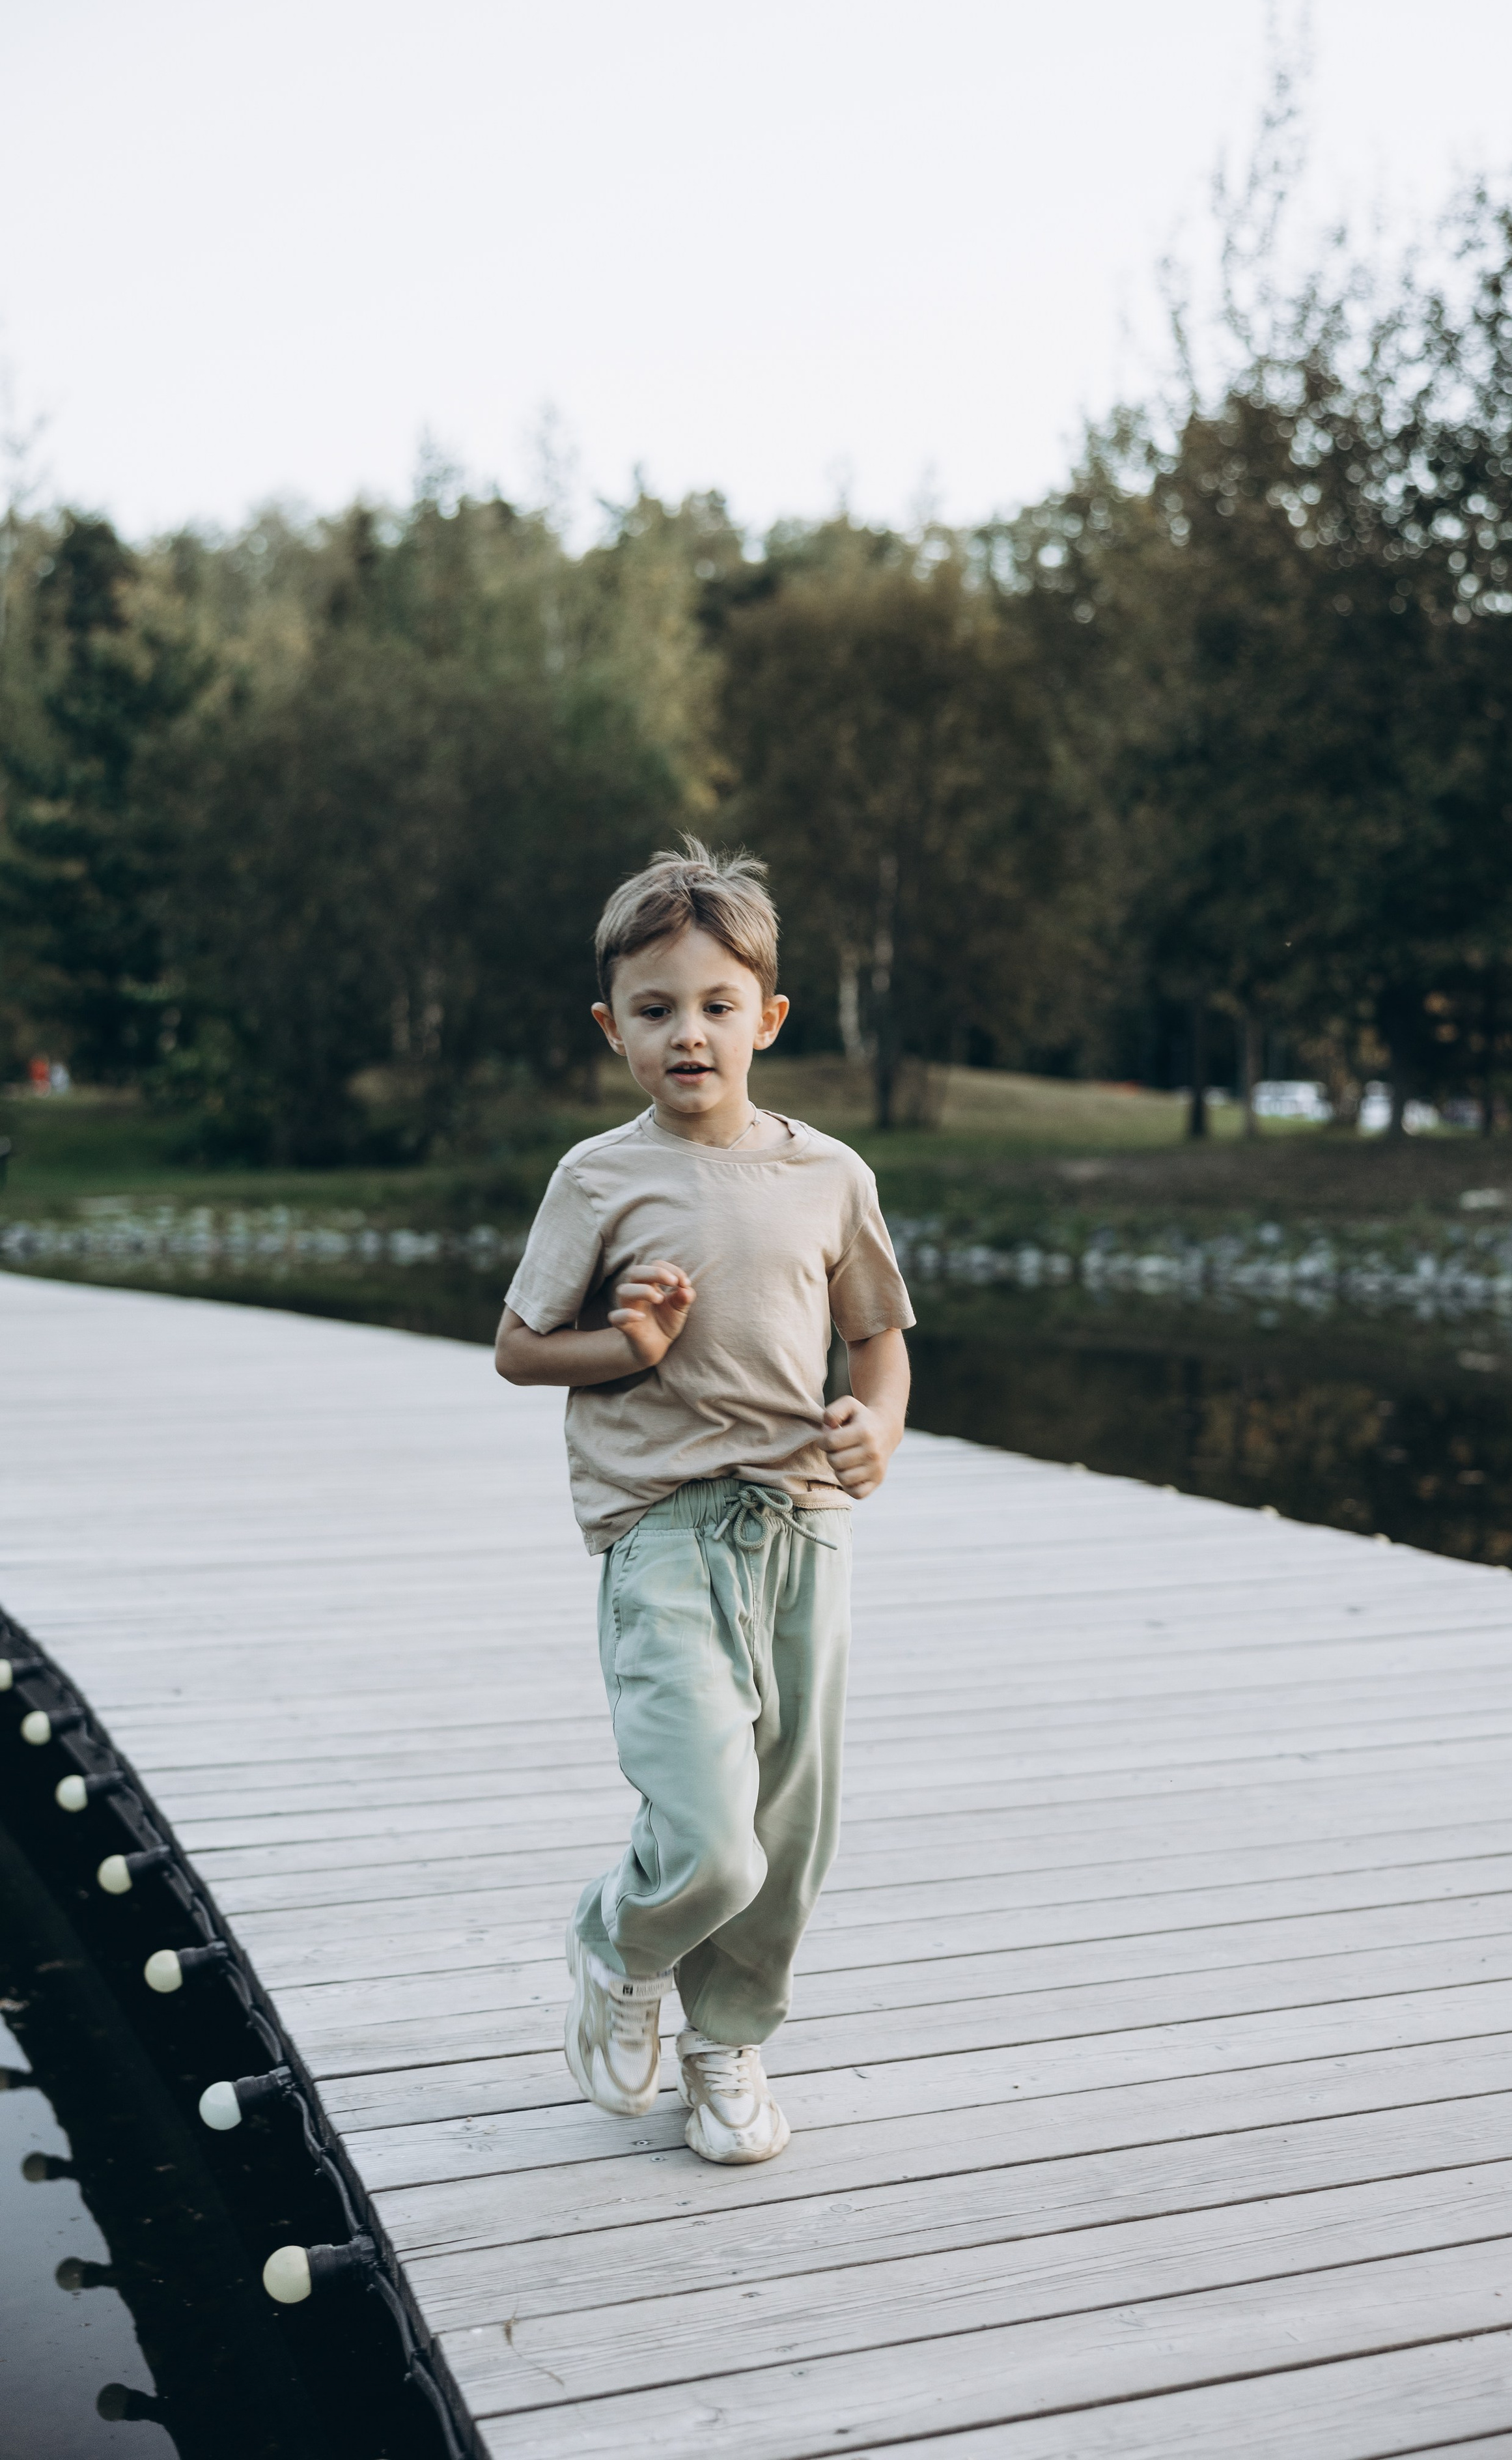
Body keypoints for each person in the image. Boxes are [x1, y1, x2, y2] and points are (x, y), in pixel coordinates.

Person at [494, 840, 914, 2166]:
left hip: (802, 1532)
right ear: (612, 1026)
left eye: (716, 1006)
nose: (689, 1034)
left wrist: (879, 1425)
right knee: (709, 1840)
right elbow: (517, 1346)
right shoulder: (596, 1179)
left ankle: (728, 2043)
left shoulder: (829, 1176)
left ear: (767, 1019)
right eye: (657, 1010)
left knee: (788, 1828)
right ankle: (618, 1944)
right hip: (660, 1530)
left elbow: (879, 1340)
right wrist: (621, 1351)